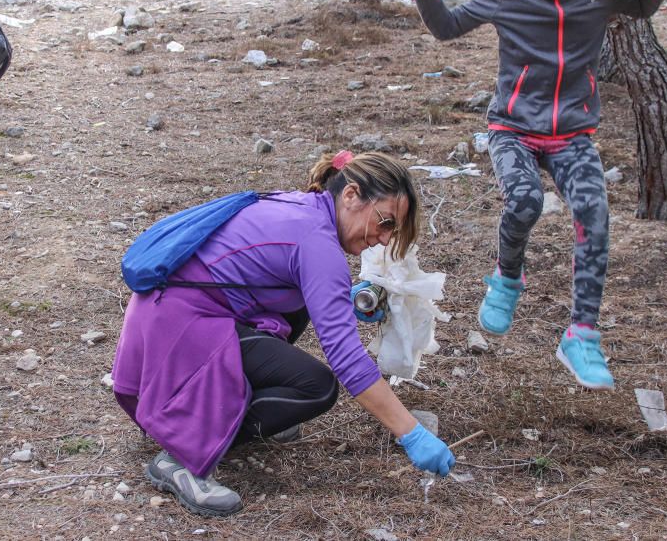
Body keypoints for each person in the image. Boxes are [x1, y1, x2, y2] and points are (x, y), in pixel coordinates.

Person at [408, 0, 667, 391]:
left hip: (572, 134)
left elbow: (641, 7)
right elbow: (447, 27)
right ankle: (507, 278)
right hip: (513, 129)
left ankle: (582, 336)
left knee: (594, 212)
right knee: (525, 199)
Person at [112, 151, 456, 517]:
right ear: (352, 195)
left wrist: (341, 299)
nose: (385, 239)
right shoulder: (317, 244)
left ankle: (223, 413)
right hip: (180, 331)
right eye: (385, 222)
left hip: (161, 322)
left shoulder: (303, 206)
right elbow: (347, 361)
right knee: (317, 387)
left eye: (393, 231)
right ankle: (181, 452)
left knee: (302, 308)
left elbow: (261, 273)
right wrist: (411, 432)